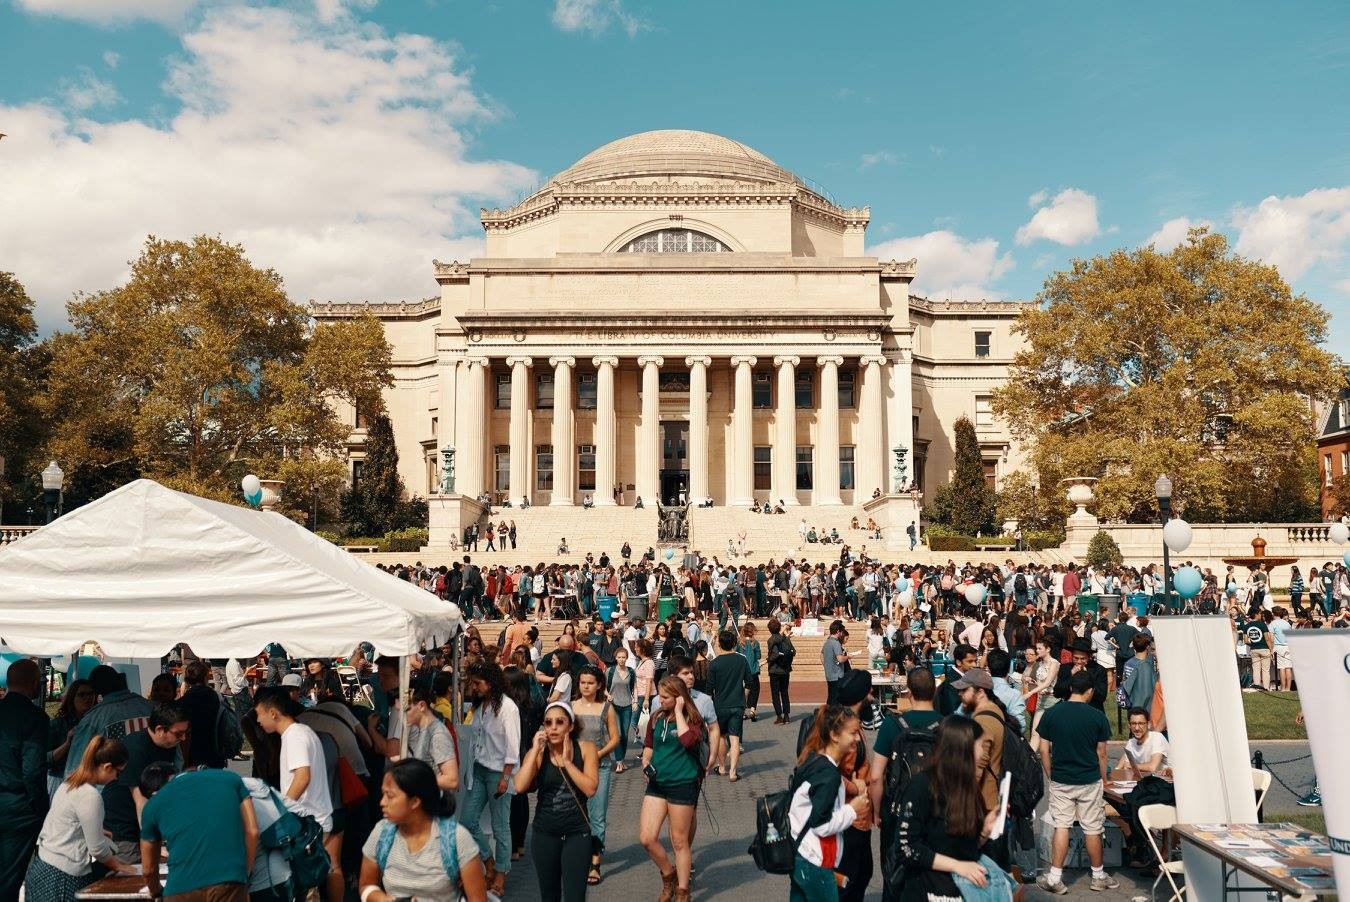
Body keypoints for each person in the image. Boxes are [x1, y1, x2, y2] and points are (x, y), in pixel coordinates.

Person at [892, 716, 1013, 900]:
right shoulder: (921, 786)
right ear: (963, 749)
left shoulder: (968, 788)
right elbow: (906, 848)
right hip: (928, 890)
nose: (983, 753)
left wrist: (985, 831)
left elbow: (964, 848)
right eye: (981, 745)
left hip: (965, 890)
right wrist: (958, 866)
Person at [24, 734, 136, 900]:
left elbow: (67, 822)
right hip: (62, 876)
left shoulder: (70, 781)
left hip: (44, 866)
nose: (116, 778)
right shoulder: (90, 795)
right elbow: (97, 849)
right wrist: (120, 866)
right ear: (106, 767)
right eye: (117, 772)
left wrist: (98, 831)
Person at [359, 758, 488, 902]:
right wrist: (384, 900)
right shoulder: (382, 833)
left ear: (415, 801)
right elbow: (366, 885)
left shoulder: (456, 839)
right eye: (383, 794)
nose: (382, 802)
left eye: (390, 796)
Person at [1035, 669, 1117, 894]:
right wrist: (1105, 778)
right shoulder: (1097, 716)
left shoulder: (1051, 713)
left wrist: (1050, 773)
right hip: (1089, 779)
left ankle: (1055, 876)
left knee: (1061, 825)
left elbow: (1044, 749)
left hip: (1062, 778)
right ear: (1090, 691)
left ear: (1071, 688)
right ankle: (1098, 875)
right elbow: (1101, 753)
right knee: (1093, 827)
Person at [254, 689, 340, 901]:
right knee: (323, 872)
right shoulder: (302, 732)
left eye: (259, 714)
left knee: (307, 883)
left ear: (273, 713)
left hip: (308, 819)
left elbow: (302, 777)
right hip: (315, 815)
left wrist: (281, 809)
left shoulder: (295, 736)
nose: (257, 720)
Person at [514, 700, 600, 902]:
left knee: (575, 897)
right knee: (549, 896)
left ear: (570, 725)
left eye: (559, 722)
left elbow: (590, 789)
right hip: (545, 833)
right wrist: (535, 749)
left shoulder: (586, 748)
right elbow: (519, 786)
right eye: (548, 722)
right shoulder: (539, 753)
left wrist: (568, 763)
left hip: (577, 833)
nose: (553, 727)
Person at [138, 761, 261, 902]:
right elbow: (252, 831)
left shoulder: (153, 805)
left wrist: (156, 892)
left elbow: (148, 870)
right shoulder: (231, 779)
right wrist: (243, 876)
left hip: (179, 890)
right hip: (228, 883)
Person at [788, 705, 871, 902]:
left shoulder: (813, 760)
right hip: (816, 860)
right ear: (834, 735)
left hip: (800, 854)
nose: (858, 739)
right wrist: (853, 809)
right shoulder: (829, 775)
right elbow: (822, 825)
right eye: (853, 733)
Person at [639, 676, 707, 902]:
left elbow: (689, 741)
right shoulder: (657, 718)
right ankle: (669, 874)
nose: (660, 699)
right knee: (647, 838)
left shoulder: (693, 718)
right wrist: (646, 761)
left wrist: (679, 713)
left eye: (666, 697)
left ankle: (682, 890)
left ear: (678, 698)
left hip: (682, 784)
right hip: (658, 783)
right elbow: (649, 745)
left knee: (679, 841)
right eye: (659, 694)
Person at [462, 662, 520, 896]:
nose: (474, 688)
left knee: (500, 827)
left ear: (492, 683)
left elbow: (513, 747)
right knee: (467, 820)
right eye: (472, 683)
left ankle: (500, 875)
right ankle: (488, 862)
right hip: (478, 769)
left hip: (499, 772)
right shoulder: (479, 706)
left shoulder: (508, 708)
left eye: (478, 683)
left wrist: (506, 777)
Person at [104, 703, 188, 865]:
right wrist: (154, 842)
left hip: (144, 823)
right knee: (134, 877)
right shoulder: (135, 748)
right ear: (159, 730)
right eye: (179, 734)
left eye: (185, 733)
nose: (183, 738)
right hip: (123, 828)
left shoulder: (168, 744)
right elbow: (141, 801)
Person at [0, 657, 50, 901]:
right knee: (9, 879)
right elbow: (33, 771)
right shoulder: (34, 717)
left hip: (10, 803)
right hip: (17, 809)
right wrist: (40, 809)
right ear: (33, 683)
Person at [571, 667, 619, 885]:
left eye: (590, 683)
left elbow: (615, 738)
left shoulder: (606, 708)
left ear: (599, 684)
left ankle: (595, 862)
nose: (586, 687)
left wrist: (596, 755)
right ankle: (579, 854)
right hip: (575, 768)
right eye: (582, 682)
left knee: (597, 815)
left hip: (600, 767)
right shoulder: (571, 707)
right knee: (578, 815)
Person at [64, 664, 153, 776]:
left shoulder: (93, 719)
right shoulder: (151, 708)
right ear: (121, 681)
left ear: (96, 690)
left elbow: (75, 767)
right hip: (153, 780)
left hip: (112, 786)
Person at [706, 631, 748, 781]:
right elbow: (749, 682)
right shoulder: (742, 660)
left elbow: (709, 688)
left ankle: (722, 767)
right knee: (735, 738)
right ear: (734, 643)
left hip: (720, 705)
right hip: (737, 704)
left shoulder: (715, 663)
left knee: (722, 736)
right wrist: (744, 698)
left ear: (719, 644)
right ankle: (733, 772)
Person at [404, 685, 460, 794]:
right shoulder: (425, 730)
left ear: (421, 706)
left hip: (434, 804)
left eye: (407, 709)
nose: (403, 714)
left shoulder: (437, 734)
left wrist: (415, 779)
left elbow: (452, 780)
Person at [46, 679, 95, 797]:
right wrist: (67, 744)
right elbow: (47, 759)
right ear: (72, 698)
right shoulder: (58, 724)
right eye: (82, 694)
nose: (87, 698)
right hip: (61, 779)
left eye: (90, 694)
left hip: (88, 780)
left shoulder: (96, 721)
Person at [1052, 638, 1109, 712]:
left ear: (1089, 657)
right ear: (1072, 656)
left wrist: (1088, 676)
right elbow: (1057, 693)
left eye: (1083, 659)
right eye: (1076, 658)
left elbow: (1102, 696)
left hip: (1092, 710)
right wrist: (1071, 675)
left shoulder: (1099, 670)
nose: (1079, 662)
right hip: (1070, 710)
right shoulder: (1065, 668)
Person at [1111, 708, 1170, 778]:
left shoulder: (1157, 737)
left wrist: (1130, 766)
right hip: (1148, 781)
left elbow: (1152, 767)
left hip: (1168, 781)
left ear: (1148, 724)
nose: (1137, 728)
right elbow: (1119, 768)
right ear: (1129, 725)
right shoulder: (1131, 742)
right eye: (1133, 724)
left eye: (1141, 723)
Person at [985, 649, 1027, 734]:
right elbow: (1020, 727)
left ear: (988, 668)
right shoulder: (1014, 694)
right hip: (1004, 741)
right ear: (1009, 669)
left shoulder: (978, 690)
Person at [766, 618, 796, 724]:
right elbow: (794, 651)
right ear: (779, 628)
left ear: (769, 629)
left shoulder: (771, 640)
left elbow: (773, 655)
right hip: (785, 670)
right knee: (784, 692)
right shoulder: (785, 638)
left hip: (774, 670)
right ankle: (787, 715)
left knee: (775, 694)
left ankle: (779, 716)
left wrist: (768, 659)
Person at [822, 620, 851, 705]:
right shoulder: (836, 643)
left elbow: (821, 655)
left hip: (829, 674)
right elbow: (840, 659)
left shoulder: (827, 642)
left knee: (831, 696)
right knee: (836, 698)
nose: (842, 634)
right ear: (838, 632)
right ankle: (834, 716)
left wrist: (827, 665)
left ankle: (828, 714)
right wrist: (848, 657)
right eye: (841, 632)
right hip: (837, 675)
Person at [739, 622, 763, 722]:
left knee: (743, 691)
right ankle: (752, 710)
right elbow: (758, 656)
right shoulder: (755, 643)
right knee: (755, 690)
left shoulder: (740, 642)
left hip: (742, 670)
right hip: (752, 670)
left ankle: (743, 712)